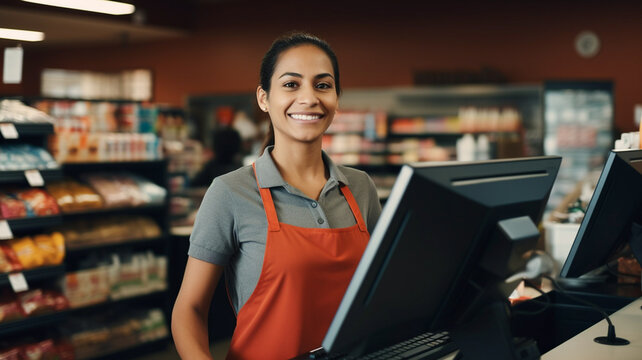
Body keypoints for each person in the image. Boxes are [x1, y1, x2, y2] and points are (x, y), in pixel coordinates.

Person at [171, 32, 382, 360]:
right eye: (291, 84)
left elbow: (378, 293)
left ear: (337, 98)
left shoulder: (361, 187)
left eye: (323, 85)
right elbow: (190, 309)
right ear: (263, 98)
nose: (309, 98)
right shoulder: (230, 193)